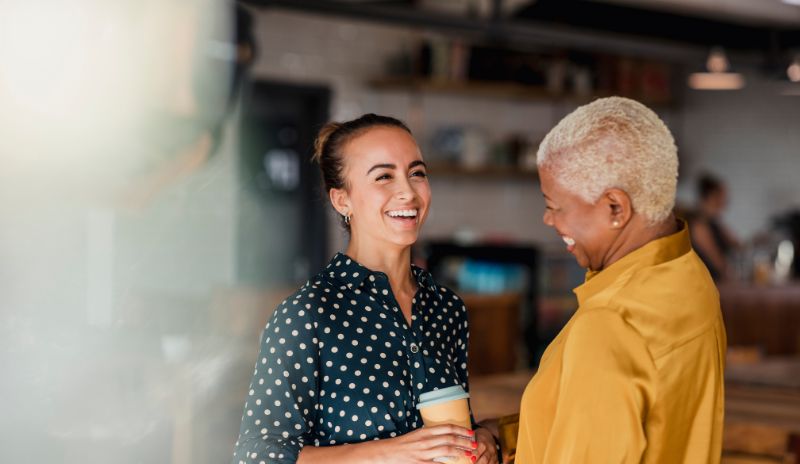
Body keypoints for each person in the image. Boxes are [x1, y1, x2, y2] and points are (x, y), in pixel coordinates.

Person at [231, 114, 498, 464]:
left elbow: (451, 427)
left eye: (416, 173)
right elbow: (257, 455)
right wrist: (389, 452)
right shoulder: (308, 313)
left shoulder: (446, 308)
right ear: (342, 201)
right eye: (384, 176)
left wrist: (483, 438)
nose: (407, 191)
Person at [515, 97, 727, 463]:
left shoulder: (610, 323)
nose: (548, 221)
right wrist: (507, 434)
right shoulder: (690, 277)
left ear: (615, 208)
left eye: (554, 206)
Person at [689, 173, 740, 281]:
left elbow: (737, 244)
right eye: (723, 195)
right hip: (706, 284)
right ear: (712, 196)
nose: (726, 200)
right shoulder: (699, 225)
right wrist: (730, 276)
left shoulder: (714, 222)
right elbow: (717, 261)